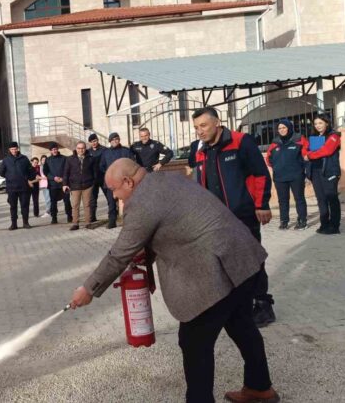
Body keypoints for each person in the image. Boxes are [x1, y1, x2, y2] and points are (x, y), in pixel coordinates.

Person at [69, 159, 278, 403]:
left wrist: (88, 289)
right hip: (243, 258)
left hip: (215, 271)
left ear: (128, 182)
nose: (114, 197)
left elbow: (119, 255)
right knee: (241, 324)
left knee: (194, 343)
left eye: (114, 190)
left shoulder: (142, 202)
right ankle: (259, 387)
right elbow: (177, 222)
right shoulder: (169, 178)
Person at [189, 107, 275, 328]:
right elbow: (199, 184)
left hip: (243, 215)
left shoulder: (241, 141)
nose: (199, 131)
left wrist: (262, 204)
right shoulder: (202, 151)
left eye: (204, 125)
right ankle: (237, 304)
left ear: (217, 123)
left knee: (252, 260)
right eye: (196, 127)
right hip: (215, 221)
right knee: (223, 262)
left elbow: (260, 174)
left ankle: (263, 305)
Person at [266, 119, 308, 230]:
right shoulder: (275, 142)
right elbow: (268, 158)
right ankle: (284, 221)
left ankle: (302, 220)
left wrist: (302, 169)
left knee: (299, 198)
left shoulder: (299, 139)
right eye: (280, 128)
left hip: (296, 175)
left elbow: (306, 155)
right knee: (283, 200)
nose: (282, 130)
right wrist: (276, 167)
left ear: (289, 127)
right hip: (280, 177)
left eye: (284, 127)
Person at [305, 114, 342, 234]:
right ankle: (324, 223)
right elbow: (310, 151)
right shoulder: (315, 137)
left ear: (326, 123)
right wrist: (308, 153)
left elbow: (326, 151)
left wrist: (309, 155)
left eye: (320, 123)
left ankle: (334, 226)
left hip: (329, 171)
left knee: (332, 198)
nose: (318, 126)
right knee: (321, 199)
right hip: (316, 171)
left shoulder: (334, 136)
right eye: (315, 124)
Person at [99, 132, 135, 228]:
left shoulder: (126, 151)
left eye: (116, 139)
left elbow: (132, 163)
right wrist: (109, 172)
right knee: (111, 202)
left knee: (127, 202)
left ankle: (128, 221)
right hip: (111, 181)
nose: (115, 141)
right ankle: (112, 221)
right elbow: (101, 166)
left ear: (119, 140)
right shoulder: (106, 153)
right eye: (113, 139)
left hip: (124, 182)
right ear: (110, 141)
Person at [0, 141, 36, 230]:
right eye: (12, 149)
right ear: (9, 150)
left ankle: (25, 223)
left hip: (23, 187)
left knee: (25, 205)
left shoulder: (24, 158)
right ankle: (14, 224)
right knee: (13, 207)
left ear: (18, 149)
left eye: (15, 149)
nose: (14, 151)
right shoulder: (6, 160)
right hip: (11, 188)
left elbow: (30, 170)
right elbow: (1, 172)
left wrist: (28, 178)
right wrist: (10, 177)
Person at [63, 141, 95, 231]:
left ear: (85, 148)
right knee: (75, 205)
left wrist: (93, 182)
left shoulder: (90, 159)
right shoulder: (70, 159)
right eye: (79, 148)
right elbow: (66, 172)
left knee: (87, 205)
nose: (81, 150)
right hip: (75, 186)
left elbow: (94, 172)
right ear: (76, 149)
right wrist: (65, 184)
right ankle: (75, 223)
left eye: (83, 148)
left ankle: (88, 223)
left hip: (87, 185)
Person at [43, 143, 72, 224]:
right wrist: (53, 178)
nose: (54, 151)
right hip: (53, 184)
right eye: (52, 150)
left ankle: (69, 216)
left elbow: (68, 169)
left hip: (64, 183)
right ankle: (54, 218)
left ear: (57, 149)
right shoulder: (48, 160)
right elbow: (46, 172)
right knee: (53, 202)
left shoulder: (64, 158)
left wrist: (63, 178)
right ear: (50, 151)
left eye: (55, 149)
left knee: (67, 201)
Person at [86, 133, 108, 223]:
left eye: (94, 141)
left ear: (97, 140)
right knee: (92, 199)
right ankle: (92, 217)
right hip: (93, 179)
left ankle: (114, 214)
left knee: (109, 196)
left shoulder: (104, 150)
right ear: (90, 143)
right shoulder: (88, 152)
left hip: (103, 177)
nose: (93, 143)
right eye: (91, 142)